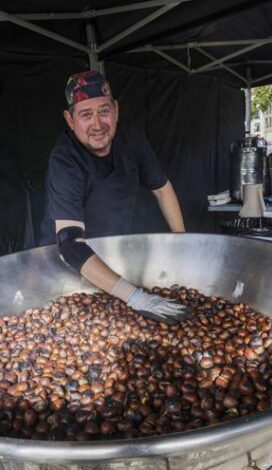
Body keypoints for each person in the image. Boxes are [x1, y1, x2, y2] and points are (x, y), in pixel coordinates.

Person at [40, 70, 189, 323]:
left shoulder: (131, 136)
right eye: (86, 115)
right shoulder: (65, 160)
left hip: (114, 255)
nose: (97, 125)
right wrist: (135, 297)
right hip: (66, 264)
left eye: (104, 111)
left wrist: (184, 246)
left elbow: (162, 189)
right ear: (69, 119)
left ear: (116, 110)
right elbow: (69, 244)